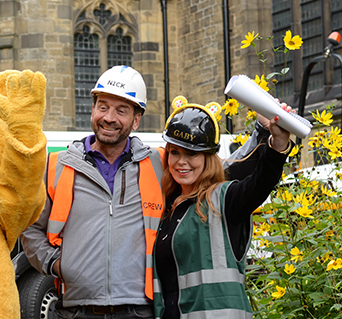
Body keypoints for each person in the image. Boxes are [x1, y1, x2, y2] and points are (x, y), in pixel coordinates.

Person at [20, 66, 271, 318]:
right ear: (93, 108)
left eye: (122, 110)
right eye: (103, 106)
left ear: (136, 119)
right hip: (75, 309)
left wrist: (261, 134)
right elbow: (30, 227)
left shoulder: (158, 162)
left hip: (140, 311)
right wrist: (55, 263)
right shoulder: (57, 165)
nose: (109, 117)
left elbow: (213, 171)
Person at [153, 102, 291, 318]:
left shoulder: (225, 200)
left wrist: (278, 143)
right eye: (174, 152)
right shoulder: (167, 209)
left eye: (192, 154)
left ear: (208, 157)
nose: (181, 162)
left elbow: (261, 182)